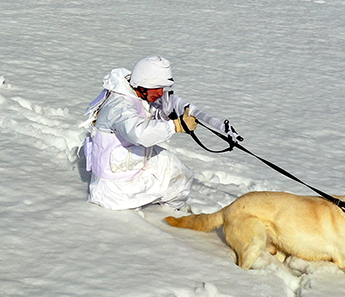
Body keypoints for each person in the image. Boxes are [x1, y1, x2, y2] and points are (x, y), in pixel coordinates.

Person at [83, 55, 240, 212]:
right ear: (141, 84)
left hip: (131, 167)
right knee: (171, 177)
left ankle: (171, 211)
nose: (160, 93)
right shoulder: (119, 106)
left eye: (163, 87)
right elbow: (139, 133)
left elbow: (147, 115)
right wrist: (176, 126)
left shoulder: (134, 93)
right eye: (157, 87)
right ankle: (162, 216)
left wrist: (168, 115)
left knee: (179, 172)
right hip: (116, 191)